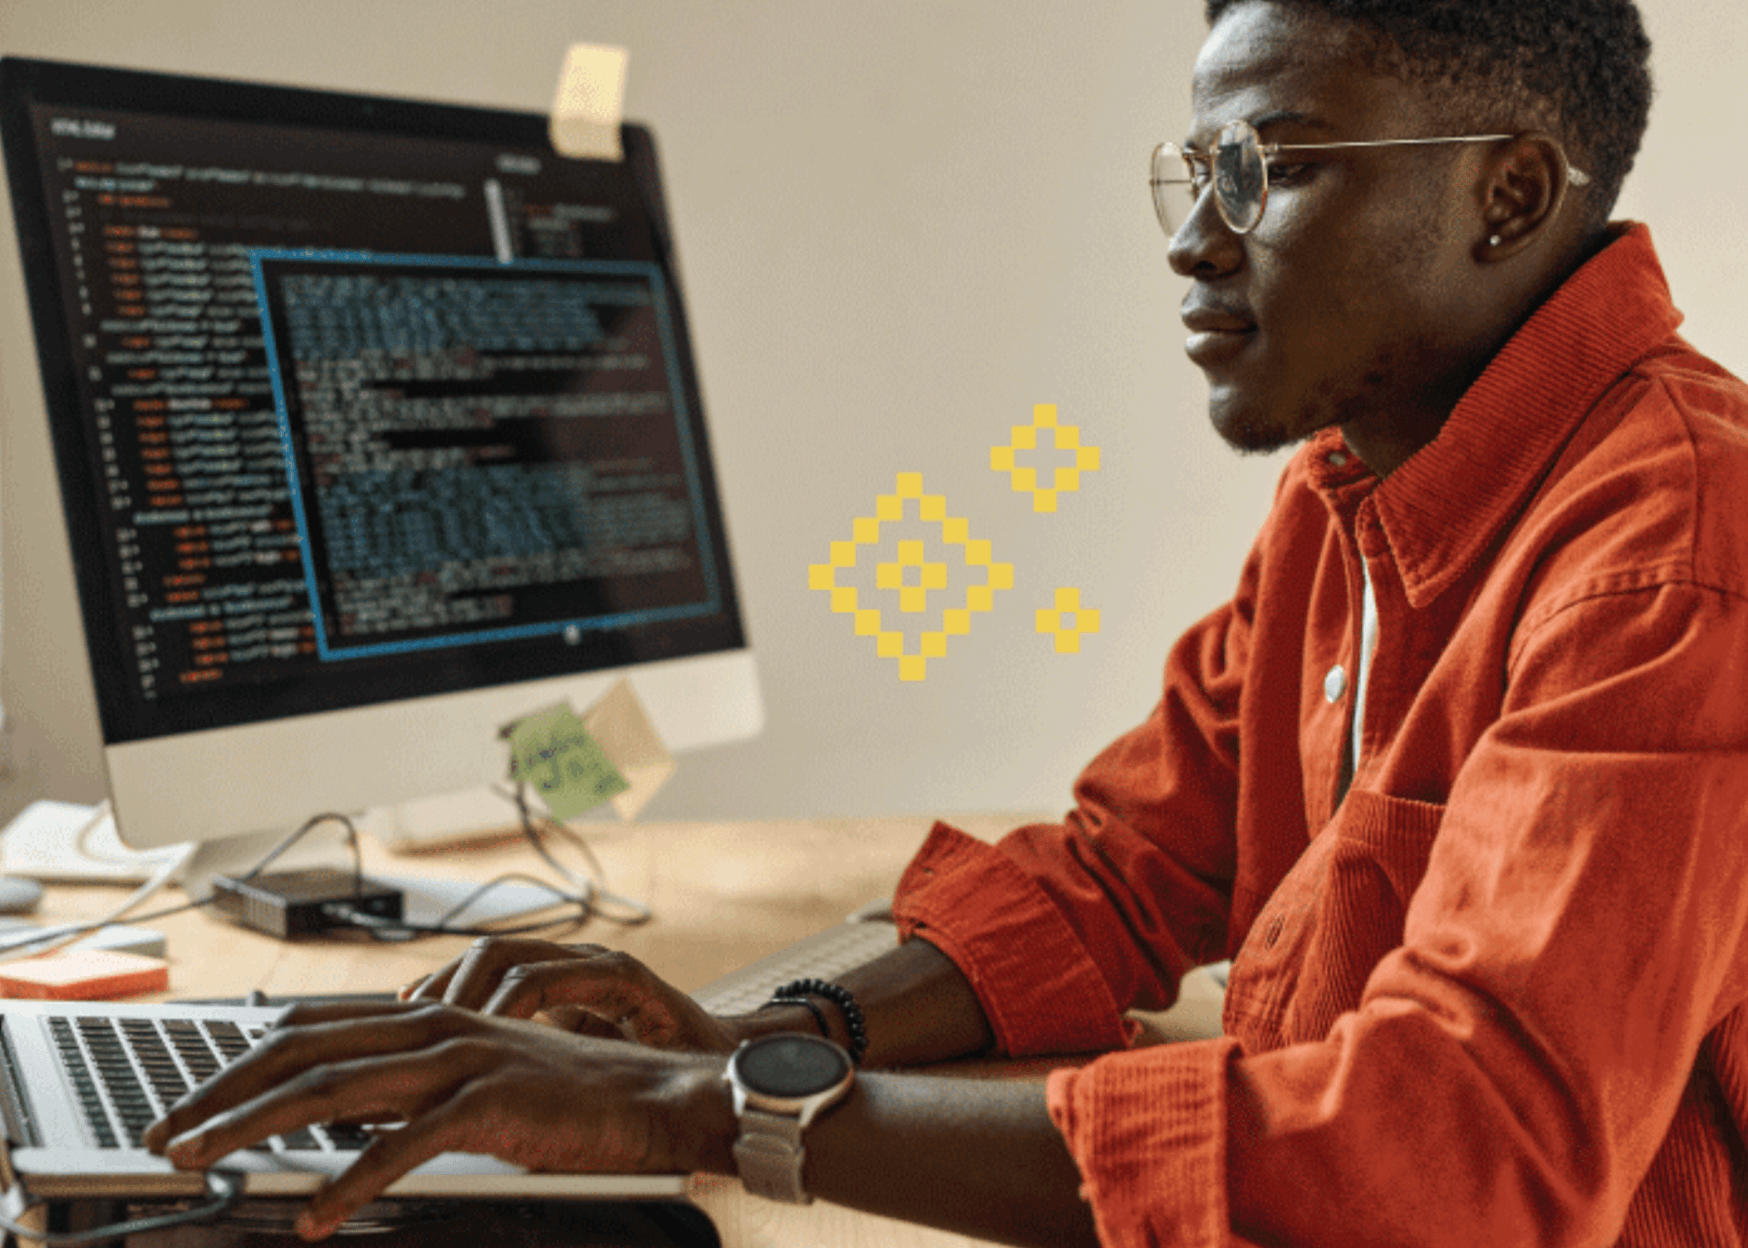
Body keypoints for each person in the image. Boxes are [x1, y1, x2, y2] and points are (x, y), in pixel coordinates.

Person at [145, 0, 1748, 1243]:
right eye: (1194, 171)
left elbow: (1461, 1156)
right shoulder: (1351, 487)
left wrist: (705, 1111)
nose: (1194, 236)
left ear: (1509, 194)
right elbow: (1126, 872)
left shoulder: (1676, 554)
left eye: (1267, 167)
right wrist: (765, 1030)